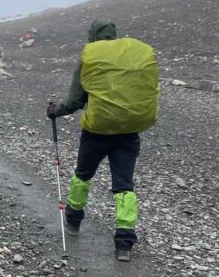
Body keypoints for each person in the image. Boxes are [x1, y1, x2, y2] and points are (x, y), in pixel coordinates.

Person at [47, 19, 159, 262]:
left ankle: (73, 220)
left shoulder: (91, 56)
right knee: (124, 186)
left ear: (93, 35)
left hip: (96, 133)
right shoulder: (133, 57)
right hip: (129, 132)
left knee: (83, 175)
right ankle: (124, 242)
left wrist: (55, 110)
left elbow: (75, 101)